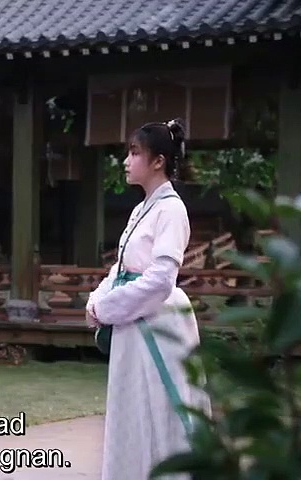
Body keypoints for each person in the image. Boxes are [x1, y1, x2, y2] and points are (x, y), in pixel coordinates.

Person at [85, 119, 211, 480]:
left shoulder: (171, 210)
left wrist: (107, 308)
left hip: (157, 324)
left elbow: (160, 280)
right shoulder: (142, 209)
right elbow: (122, 267)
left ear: (158, 161)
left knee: (161, 412)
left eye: (135, 153)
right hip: (132, 324)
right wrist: (97, 300)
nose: (126, 161)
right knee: (132, 413)